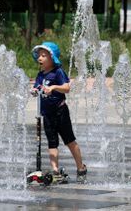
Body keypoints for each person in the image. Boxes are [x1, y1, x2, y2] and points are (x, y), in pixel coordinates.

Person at [31, 41, 87, 183]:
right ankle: (55, 170)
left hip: (60, 112)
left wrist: (54, 87)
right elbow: (37, 87)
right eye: (39, 55)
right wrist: (34, 90)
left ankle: (81, 167)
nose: (40, 58)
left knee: (69, 140)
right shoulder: (40, 75)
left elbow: (67, 88)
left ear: (52, 58)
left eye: (44, 55)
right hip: (47, 114)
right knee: (52, 142)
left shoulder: (58, 72)